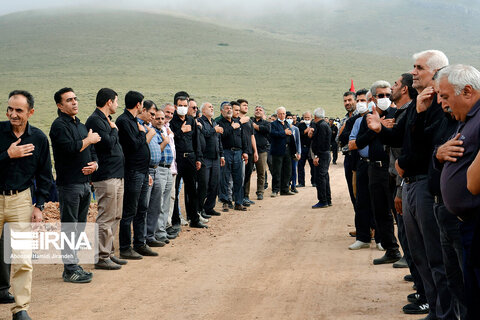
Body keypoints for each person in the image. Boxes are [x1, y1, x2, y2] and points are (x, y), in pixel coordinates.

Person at [367, 50, 451, 318]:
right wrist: (380, 130)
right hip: (412, 183)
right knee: (419, 253)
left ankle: (442, 311)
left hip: (427, 184)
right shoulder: (418, 102)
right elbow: (401, 137)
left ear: (436, 72)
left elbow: (429, 144)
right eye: (413, 67)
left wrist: (404, 162)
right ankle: (432, 305)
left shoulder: (438, 104)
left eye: (419, 67)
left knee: (435, 255)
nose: (413, 72)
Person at [1, 90, 52, 320]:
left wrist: (38, 205)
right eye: (10, 109)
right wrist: (7, 155)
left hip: (21, 200)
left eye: (19, 110)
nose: (13, 114)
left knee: (22, 258)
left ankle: (20, 309)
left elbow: (45, 175)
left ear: (30, 112)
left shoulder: (39, 139)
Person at [437, 64, 480, 319]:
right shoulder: (467, 120)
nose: (444, 104)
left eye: (445, 96)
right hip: (467, 224)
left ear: (466, 91)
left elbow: (473, 183)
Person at [50, 87, 99, 283]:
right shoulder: (59, 126)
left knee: (79, 227)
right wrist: (88, 139)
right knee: (70, 227)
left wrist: (95, 165)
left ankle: (74, 264)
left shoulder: (80, 125)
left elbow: (92, 150)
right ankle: (70, 268)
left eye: (75, 98)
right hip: (69, 184)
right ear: (60, 105)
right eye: (69, 100)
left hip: (85, 184)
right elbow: (70, 149)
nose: (74, 102)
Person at [355, 81, 401, 265]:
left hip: (391, 169)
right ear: (373, 98)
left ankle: (409, 255)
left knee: (398, 211)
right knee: (380, 210)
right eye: (380, 96)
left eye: (388, 95)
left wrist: (385, 128)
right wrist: (378, 128)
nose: (385, 99)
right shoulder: (368, 118)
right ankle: (391, 249)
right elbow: (359, 142)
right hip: (374, 168)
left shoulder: (397, 114)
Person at [85, 88, 127, 270]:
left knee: (116, 215)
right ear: (109, 102)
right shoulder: (95, 120)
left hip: (117, 174)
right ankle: (101, 256)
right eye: (116, 101)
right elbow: (107, 143)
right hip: (106, 176)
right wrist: (115, 130)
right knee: (106, 216)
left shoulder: (106, 120)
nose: (117, 105)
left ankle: (109, 252)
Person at [116, 90, 158, 260]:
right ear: (138, 104)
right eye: (142, 103)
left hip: (141, 171)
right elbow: (134, 145)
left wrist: (147, 171)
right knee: (130, 211)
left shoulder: (133, 121)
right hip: (132, 171)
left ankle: (140, 244)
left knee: (142, 209)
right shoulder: (124, 121)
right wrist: (144, 133)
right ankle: (125, 247)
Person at [169, 93, 207, 228]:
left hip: (191, 158)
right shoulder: (171, 122)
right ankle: (175, 221)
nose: (183, 108)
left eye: (185, 106)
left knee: (192, 190)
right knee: (174, 190)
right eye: (180, 105)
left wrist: (198, 158)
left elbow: (196, 141)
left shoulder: (191, 121)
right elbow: (171, 139)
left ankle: (194, 219)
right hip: (177, 159)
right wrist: (181, 130)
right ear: (175, 106)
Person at [347, 89, 379, 249]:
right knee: (361, 201)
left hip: (378, 164)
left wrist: (360, 141)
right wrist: (371, 135)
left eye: (363, 100)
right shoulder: (358, 122)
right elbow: (351, 143)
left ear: (371, 101)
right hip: (362, 163)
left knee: (378, 202)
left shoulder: (383, 118)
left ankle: (380, 238)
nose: (360, 104)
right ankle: (363, 237)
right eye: (358, 100)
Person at [217, 101, 248, 211]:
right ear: (221, 111)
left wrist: (245, 152)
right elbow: (222, 135)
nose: (229, 110)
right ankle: (225, 202)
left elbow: (243, 137)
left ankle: (239, 202)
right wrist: (232, 127)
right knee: (224, 178)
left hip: (238, 152)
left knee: (239, 178)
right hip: (226, 152)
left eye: (230, 108)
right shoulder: (219, 123)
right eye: (226, 108)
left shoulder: (237, 122)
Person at [197, 102, 224, 216]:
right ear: (203, 111)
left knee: (215, 184)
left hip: (216, 157)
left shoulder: (214, 122)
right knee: (204, 185)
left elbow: (219, 141)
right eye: (209, 107)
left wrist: (222, 155)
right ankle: (199, 209)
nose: (212, 108)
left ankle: (209, 207)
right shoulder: (200, 122)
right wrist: (215, 130)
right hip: (205, 157)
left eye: (213, 107)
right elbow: (204, 134)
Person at [338, 91, 359, 207]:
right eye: (345, 101)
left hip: (359, 156)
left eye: (350, 100)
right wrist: (344, 127)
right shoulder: (344, 119)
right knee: (352, 192)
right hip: (348, 157)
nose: (347, 103)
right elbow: (338, 140)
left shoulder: (361, 116)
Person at [270, 107, 296, 197]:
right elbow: (272, 134)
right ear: (277, 114)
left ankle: (285, 189)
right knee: (277, 171)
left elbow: (290, 136)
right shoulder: (273, 124)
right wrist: (283, 133)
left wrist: (294, 151)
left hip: (287, 150)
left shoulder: (286, 124)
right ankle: (275, 190)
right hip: (277, 150)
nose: (282, 115)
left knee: (287, 170)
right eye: (280, 113)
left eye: (283, 113)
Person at [309, 108, 332, 208]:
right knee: (324, 176)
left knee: (321, 177)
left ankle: (323, 200)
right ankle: (328, 199)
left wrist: (317, 156)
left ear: (315, 117)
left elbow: (321, 142)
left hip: (322, 154)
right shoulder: (323, 125)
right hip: (325, 154)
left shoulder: (321, 126)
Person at [238, 99, 258, 206]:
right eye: (244, 105)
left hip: (250, 151)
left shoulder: (249, 121)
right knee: (240, 175)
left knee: (248, 174)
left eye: (247, 105)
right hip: (240, 151)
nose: (246, 107)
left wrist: (255, 151)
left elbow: (252, 136)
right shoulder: (236, 120)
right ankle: (238, 197)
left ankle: (246, 196)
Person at [252, 105, 271, 200]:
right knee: (247, 173)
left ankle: (260, 192)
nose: (258, 111)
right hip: (249, 150)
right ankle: (245, 193)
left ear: (263, 113)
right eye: (256, 110)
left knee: (261, 172)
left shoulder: (266, 123)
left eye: (260, 110)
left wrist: (255, 127)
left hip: (262, 151)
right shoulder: (249, 121)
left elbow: (266, 130)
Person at [297, 111, 314, 187]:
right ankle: (301, 182)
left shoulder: (314, 124)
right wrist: (305, 131)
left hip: (311, 148)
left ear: (311, 118)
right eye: (305, 118)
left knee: (313, 166)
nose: (307, 119)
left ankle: (314, 182)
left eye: (308, 118)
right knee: (300, 166)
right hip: (302, 148)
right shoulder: (300, 125)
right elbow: (299, 135)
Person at [286, 111, 301, 193]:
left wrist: (299, 152)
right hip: (286, 152)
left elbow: (298, 141)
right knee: (287, 169)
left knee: (294, 170)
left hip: (294, 152)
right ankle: (286, 185)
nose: (289, 120)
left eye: (290, 118)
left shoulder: (296, 129)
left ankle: (294, 185)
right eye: (287, 118)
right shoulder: (284, 128)